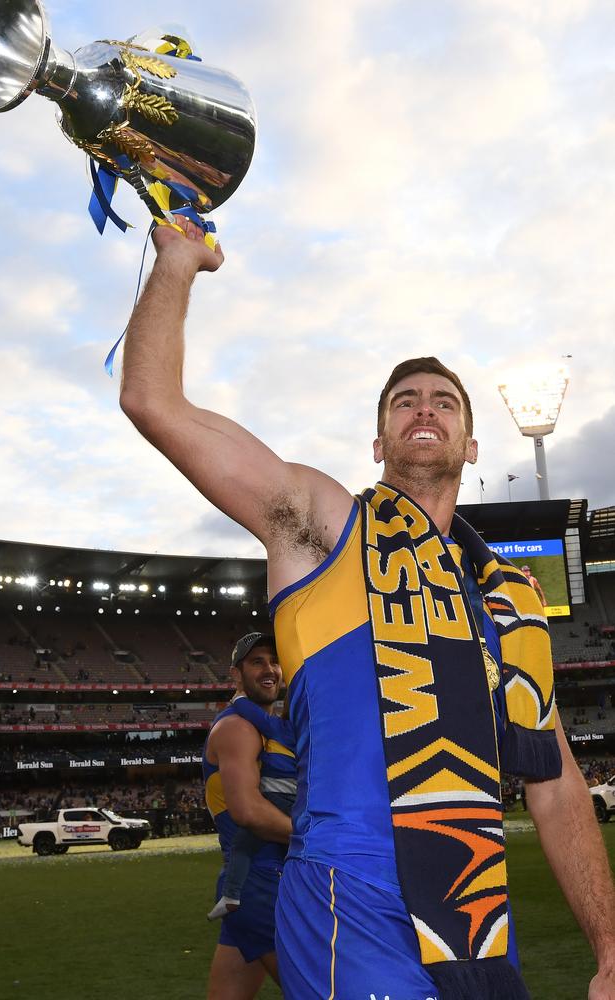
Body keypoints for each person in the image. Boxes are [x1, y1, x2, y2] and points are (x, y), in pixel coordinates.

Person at [120, 220, 615, 1000]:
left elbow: (555, 787)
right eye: (405, 400)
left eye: (446, 401)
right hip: (348, 900)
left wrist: (610, 951)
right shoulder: (322, 524)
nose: (426, 407)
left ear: (472, 444)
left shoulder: (510, 608)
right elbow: (153, 401)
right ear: (380, 441)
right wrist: (177, 262)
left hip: (473, 923)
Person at [202, 632, 291, 1000]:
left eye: (274, 660)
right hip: (260, 884)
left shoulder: (264, 727)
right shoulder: (238, 728)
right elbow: (248, 811)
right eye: (257, 662)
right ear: (235, 674)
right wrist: (318, 837)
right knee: (322, 990)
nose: (269, 669)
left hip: (255, 885)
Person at [208, 687, 296, 921]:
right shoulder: (314, 735)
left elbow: (255, 714)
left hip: (275, 796)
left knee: (243, 845)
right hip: (298, 801)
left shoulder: (280, 728)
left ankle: (231, 896)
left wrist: (239, 698)